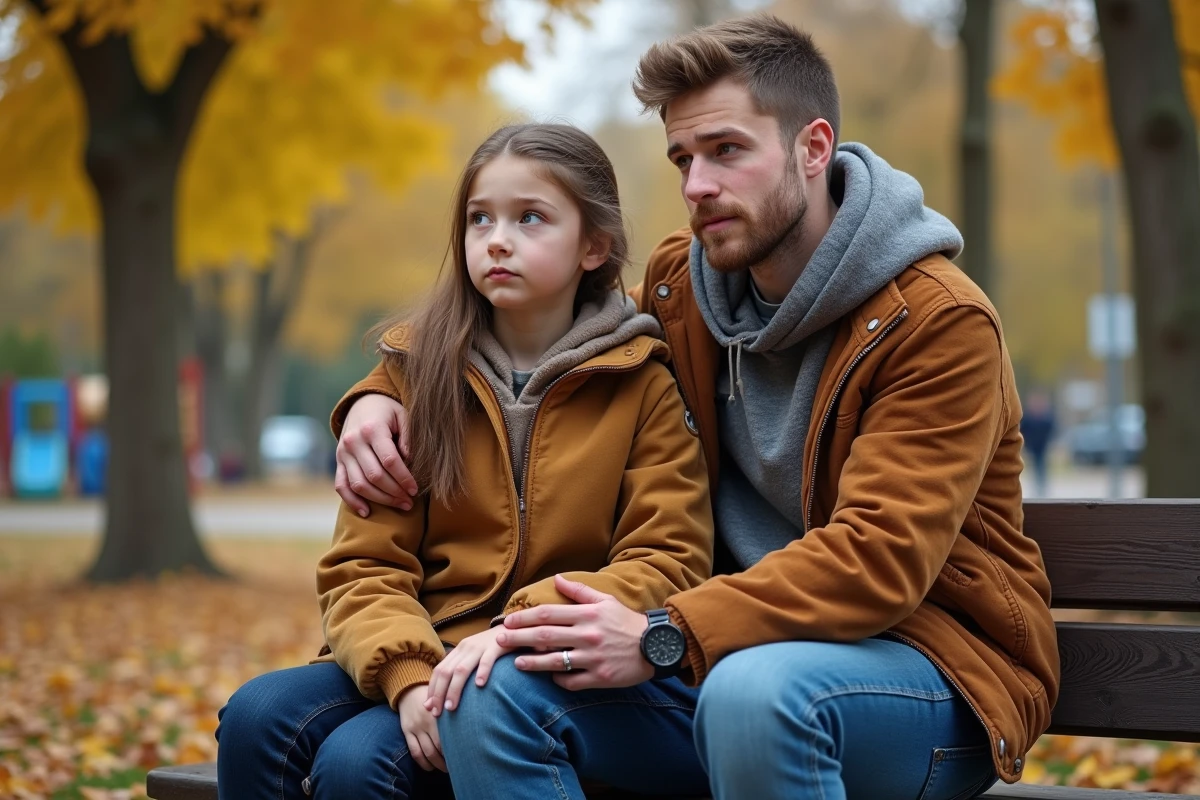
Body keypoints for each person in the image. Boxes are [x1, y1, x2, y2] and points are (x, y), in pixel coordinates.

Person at [334, 15, 1060, 800]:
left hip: (926, 671)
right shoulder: (690, 281)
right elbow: (567, 346)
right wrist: (381, 392)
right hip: (710, 657)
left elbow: (877, 560)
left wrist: (666, 633)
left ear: (813, 149)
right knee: (492, 701)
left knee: (760, 696)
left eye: (726, 151)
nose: (697, 185)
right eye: (683, 158)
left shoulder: (938, 323)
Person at [213, 123, 714, 800]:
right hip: (418, 644)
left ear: (594, 245)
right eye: (480, 219)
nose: (497, 239)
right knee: (257, 715)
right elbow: (364, 565)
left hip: (546, 666)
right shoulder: (418, 381)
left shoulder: (642, 381)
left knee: (360, 763)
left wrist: (514, 631)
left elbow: (666, 557)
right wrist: (410, 674)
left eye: (530, 218)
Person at [1020, 389, 1057, 497]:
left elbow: (1051, 428)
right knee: (1036, 466)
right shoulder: (1029, 416)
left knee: (1042, 466)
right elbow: (1023, 429)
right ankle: (1038, 486)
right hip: (1033, 446)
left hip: (1042, 446)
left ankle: (1042, 486)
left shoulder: (1046, 417)